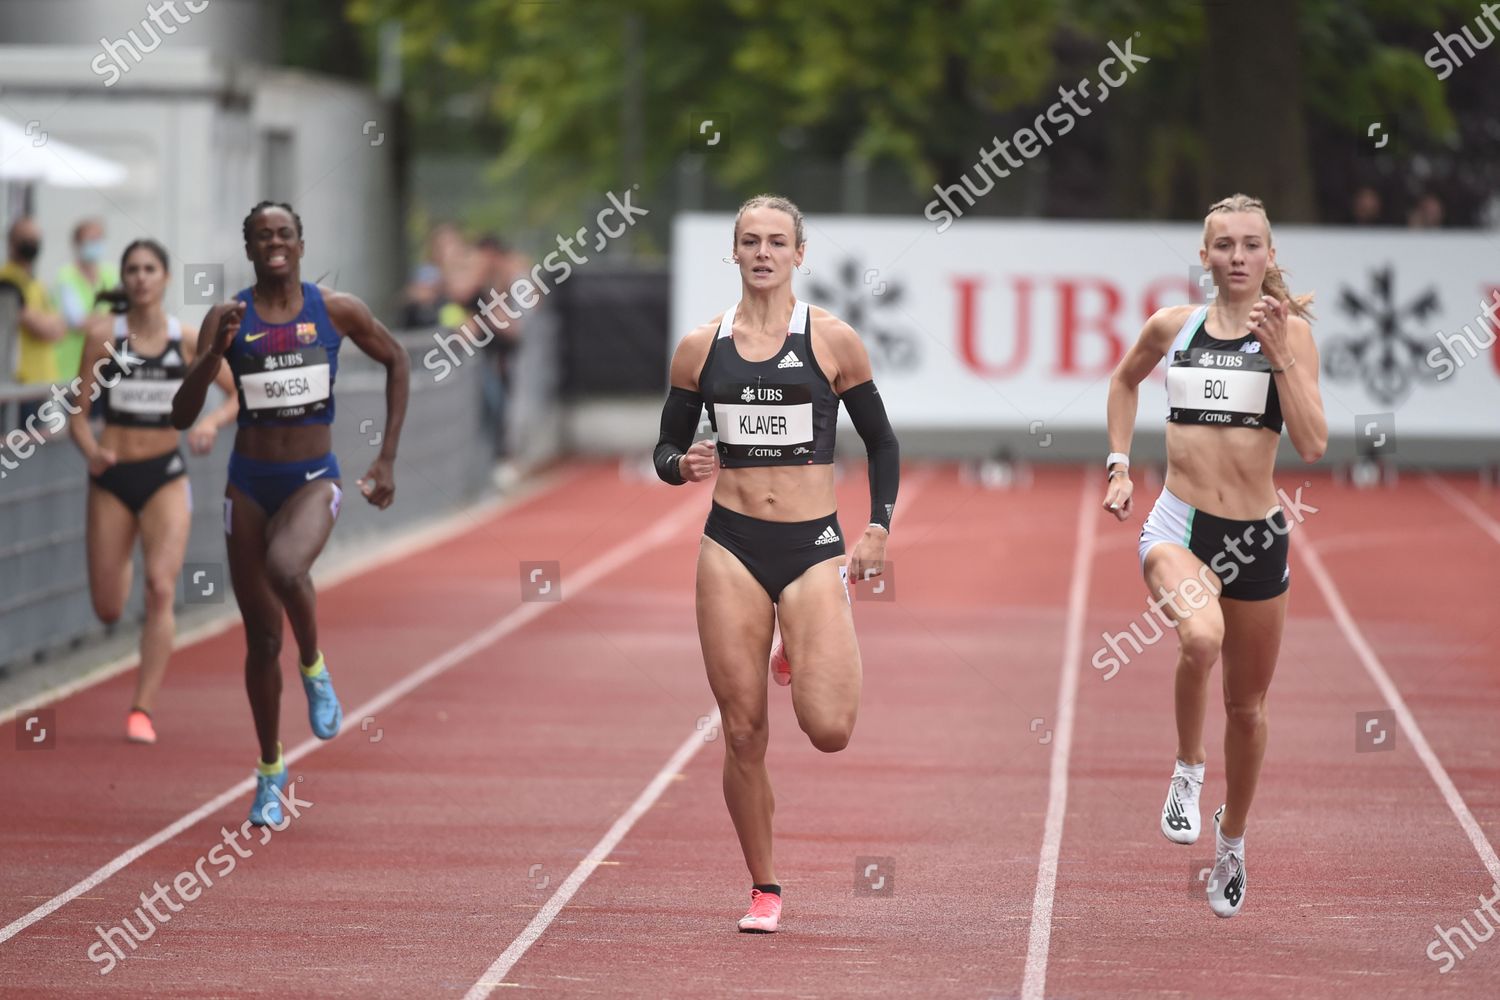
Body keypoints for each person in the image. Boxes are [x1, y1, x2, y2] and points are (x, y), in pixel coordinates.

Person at [653, 194, 900, 933]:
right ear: (733, 254)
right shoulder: (701, 346)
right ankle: (765, 887)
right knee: (741, 730)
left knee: (829, 730)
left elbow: (882, 444)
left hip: (812, 547)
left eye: (777, 242)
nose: (763, 253)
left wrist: (879, 528)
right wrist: (680, 463)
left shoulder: (831, 340)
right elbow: (663, 450)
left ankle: (804, 630)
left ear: (799, 255)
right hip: (730, 545)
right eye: (750, 241)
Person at [1103, 193, 1327, 918]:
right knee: (1200, 637)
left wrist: (1282, 359)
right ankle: (1187, 769)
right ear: (1203, 256)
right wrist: (1117, 461)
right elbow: (1123, 381)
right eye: (1224, 245)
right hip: (1180, 522)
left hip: (1257, 536)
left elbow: (1316, 444)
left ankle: (1232, 841)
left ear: (1268, 256)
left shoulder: (1290, 335)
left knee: (1249, 707)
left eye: (1251, 245)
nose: (1237, 257)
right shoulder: (1175, 327)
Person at [171, 201, 410, 826]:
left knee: (285, 567)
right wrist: (209, 357)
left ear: (300, 243)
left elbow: (397, 361)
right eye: (261, 236)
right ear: (248, 248)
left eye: (284, 234)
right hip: (248, 485)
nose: (274, 243)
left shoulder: (336, 309)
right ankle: (271, 773)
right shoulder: (228, 316)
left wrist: (385, 458)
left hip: (312, 480)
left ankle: (314, 666)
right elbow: (181, 412)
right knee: (259, 640)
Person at [68, 239, 238, 743]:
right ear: (125, 280)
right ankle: (119, 556)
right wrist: (91, 452)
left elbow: (236, 395)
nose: (141, 277)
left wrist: (210, 423)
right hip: (112, 477)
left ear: (165, 278)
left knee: (162, 588)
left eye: (150, 268)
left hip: (165, 472)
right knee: (108, 609)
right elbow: (76, 416)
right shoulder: (103, 336)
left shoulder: (185, 341)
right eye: (132, 270)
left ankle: (141, 708)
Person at [1, 218, 67, 407]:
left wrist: (48, 323)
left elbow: (59, 329)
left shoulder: (37, 283)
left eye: (34, 238)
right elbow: (41, 327)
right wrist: (47, 322)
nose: (31, 244)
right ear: (12, 242)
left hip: (41, 382)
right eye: (25, 238)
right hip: (17, 383)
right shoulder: (7, 281)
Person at [53, 218, 120, 382]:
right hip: (72, 366)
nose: (95, 244)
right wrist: (112, 317)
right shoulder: (66, 277)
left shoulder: (111, 274)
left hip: (106, 366)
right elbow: (78, 322)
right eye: (90, 240)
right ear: (77, 244)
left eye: (98, 239)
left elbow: (128, 315)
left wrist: (99, 319)